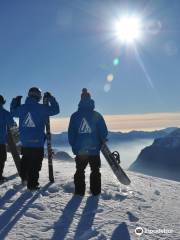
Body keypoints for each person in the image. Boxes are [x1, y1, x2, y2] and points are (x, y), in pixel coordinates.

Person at [10, 87, 60, 190]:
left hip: (25, 143)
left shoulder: (22, 108)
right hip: (37, 143)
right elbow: (56, 110)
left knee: (25, 161)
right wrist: (51, 99)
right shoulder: (41, 108)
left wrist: (15, 101)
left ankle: (24, 179)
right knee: (35, 165)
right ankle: (32, 185)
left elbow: (13, 112)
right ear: (38, 96)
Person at [68, 88, 108, 196]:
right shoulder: (97, 115)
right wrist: (101, 141)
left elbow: (71, 134)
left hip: (80, 151)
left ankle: (79, 192)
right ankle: (95, 193)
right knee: (95, 170)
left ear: (81, 100)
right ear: (90, 100)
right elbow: (104, 132)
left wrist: (75, 146)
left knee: (80, 170)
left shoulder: (75, 116)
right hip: (94, 150)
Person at [0, 95, 16, 182]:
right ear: (2, 103)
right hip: (1, 142)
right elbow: (12, 124)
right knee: (1, 159)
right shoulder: (5, 113)